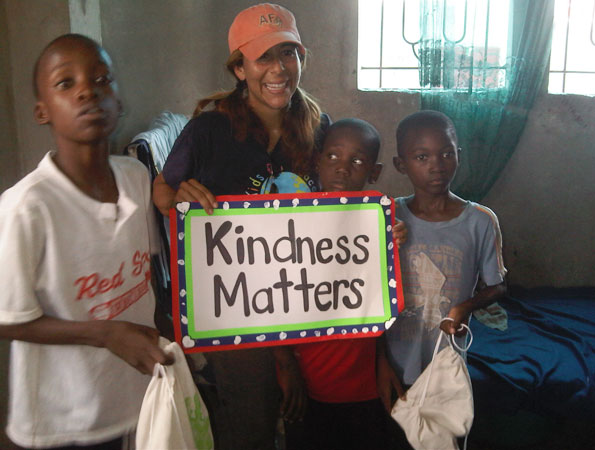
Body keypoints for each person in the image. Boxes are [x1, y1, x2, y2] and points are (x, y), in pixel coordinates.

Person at [152, 4, 330, 449]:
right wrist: (178, 198)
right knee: (252, 421)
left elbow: (336, 206)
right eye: (263, 57)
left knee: (316, 411)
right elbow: (161, 189)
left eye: (288, 54)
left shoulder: (317, 126)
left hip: (305, 294)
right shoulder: (209, 131)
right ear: (239, 68)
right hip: (236, 305)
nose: (278, 69)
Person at [0, 34, 173, 449]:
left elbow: (144, 274)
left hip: (131, 394)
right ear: (43, 111)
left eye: (101, 79)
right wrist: (107, 334)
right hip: (66, 417)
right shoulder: (27, 207)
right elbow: (7, 318)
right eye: (66, 83)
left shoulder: (135, 176)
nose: (86, 91)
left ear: (119, 102)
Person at [285, 118, 408, 450]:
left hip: (363, 381)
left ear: (374, 171)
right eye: (333, 157)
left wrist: (382, 361)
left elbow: (377, 303)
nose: (342, 169)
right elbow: (272, 302)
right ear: (317, 161)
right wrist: (286, 367)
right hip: (307, 378)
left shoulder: (377, 221)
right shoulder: (289, 221)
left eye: (357, 161)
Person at [382, 109, 507, 416]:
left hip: (448, 364)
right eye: (422, 157)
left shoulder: (481, 221)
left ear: (458, 156)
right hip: (394, 360)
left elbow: (498, 285)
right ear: (401, 164)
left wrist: (466, 306)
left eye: (446, 153)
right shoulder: (387, 217)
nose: (436, 165)